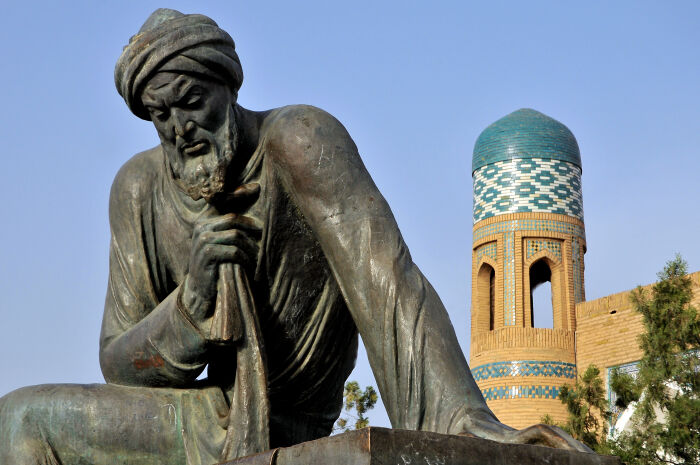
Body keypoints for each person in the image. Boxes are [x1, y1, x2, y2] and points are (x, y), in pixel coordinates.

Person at [0, 9, 590, 465]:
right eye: (160, 116)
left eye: (192, 102)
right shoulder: (137, 188)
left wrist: (460, 419)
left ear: (227, 88)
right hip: (201, 416)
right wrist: (190, 307)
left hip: (291, 419)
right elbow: (118, 362)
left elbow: (390, 286)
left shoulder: (299, 142)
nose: (181, 130)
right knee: (21, 420)